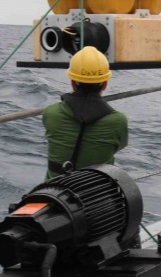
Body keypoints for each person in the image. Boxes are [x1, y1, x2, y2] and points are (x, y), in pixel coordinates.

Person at [43, 45, 128, 179]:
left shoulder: (51, 113)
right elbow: (119, 146)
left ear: (72, 83)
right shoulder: (118, 120)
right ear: (105, 84)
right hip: (95, 192)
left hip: (53, 192)